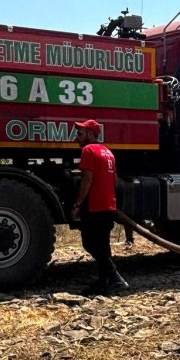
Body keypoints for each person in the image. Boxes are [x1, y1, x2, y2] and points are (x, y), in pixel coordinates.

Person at [71, 119, 129, 295]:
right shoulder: (107, 152)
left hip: (94, 205)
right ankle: (104, 281)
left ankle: (116, 278)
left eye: (80, 133)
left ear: (90, 134)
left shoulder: (88, 150)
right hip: (108, 205)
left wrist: (78, 204)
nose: (77, 137)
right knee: (103, 244)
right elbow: (115, 180)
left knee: (89, 243)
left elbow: (87, 179)